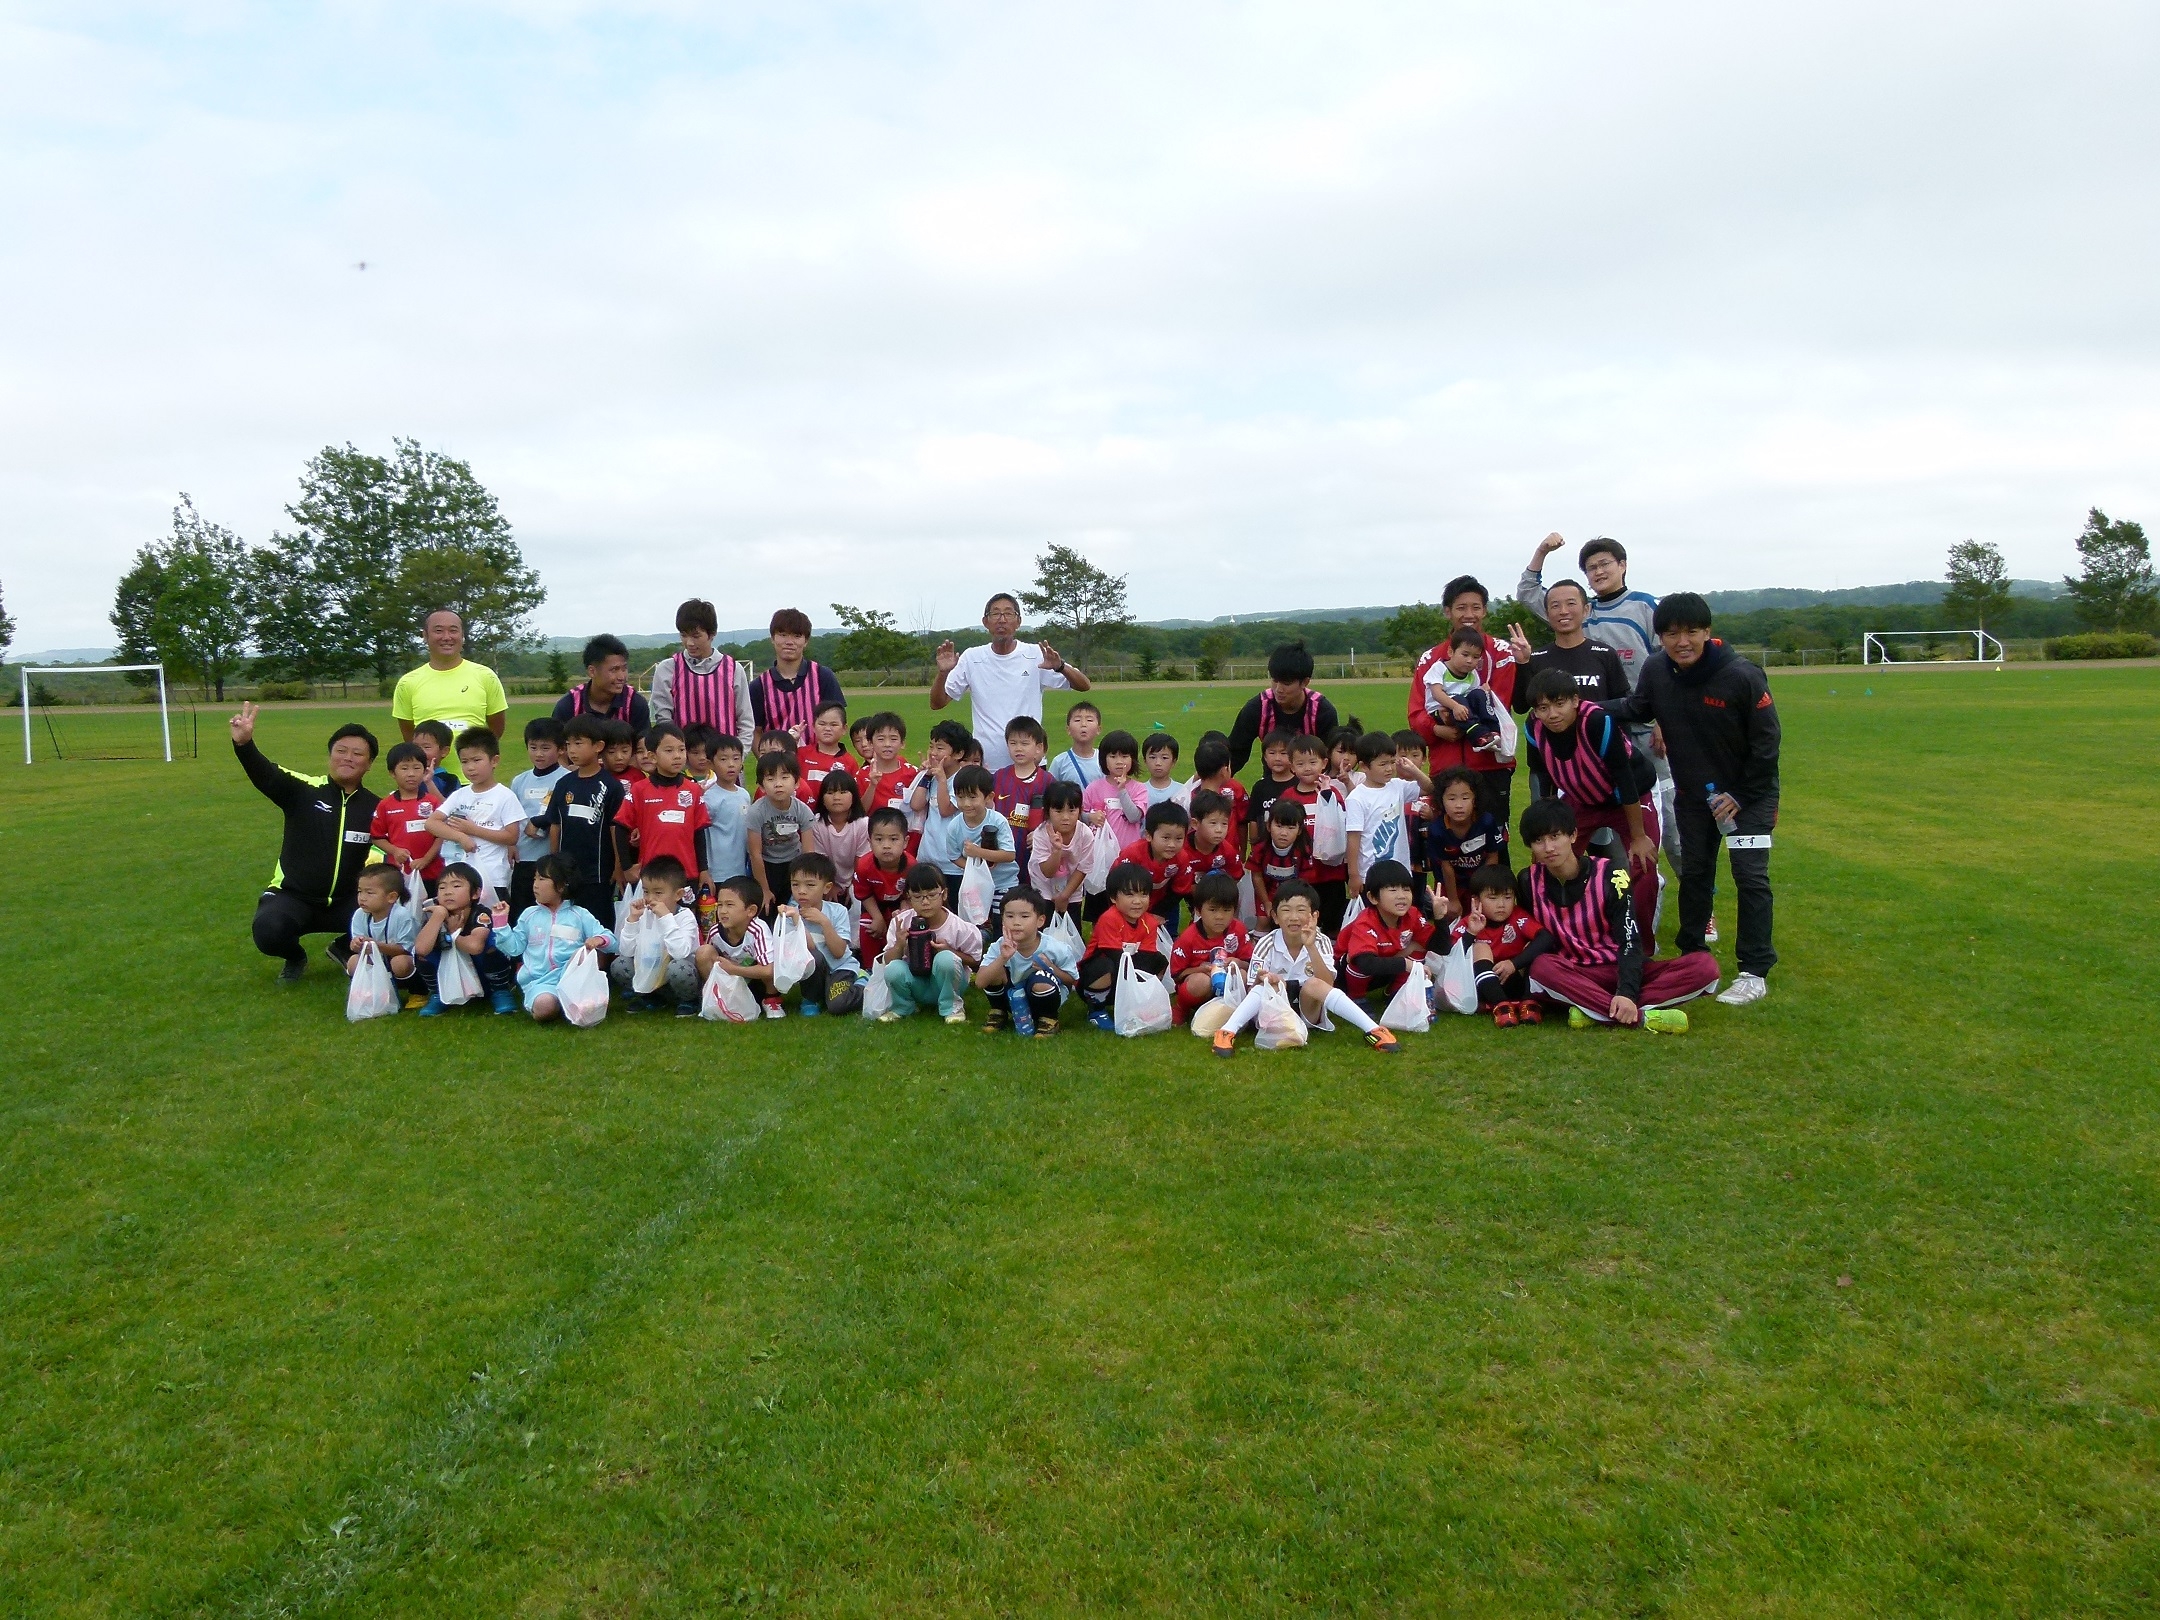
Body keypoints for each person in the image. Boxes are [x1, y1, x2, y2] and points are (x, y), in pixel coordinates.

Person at [1609, 592, 1781, 1006]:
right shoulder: (1656, 669)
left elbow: (1767, 744)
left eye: (1691, 632)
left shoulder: (1742, 675)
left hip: (1749, 796)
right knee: (1696, 874)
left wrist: (1739, 795)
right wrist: (1584, 709)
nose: (1681, 641)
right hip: (1693, 797)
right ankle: (1692, 957)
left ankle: (1754, 971)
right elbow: (1638, 706)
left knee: (1750, 878)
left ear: (1707, 632)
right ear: (1660, 637)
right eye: (1670, 633)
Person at [1518, 534, 1679, 870]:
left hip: (1643, 732)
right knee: (1595, 838)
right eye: (1591, 568)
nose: (1599, 572)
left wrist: (1663, 720)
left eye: (1605, 564)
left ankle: (1698, 911)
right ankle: (1599, 905)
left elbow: (1669, 665)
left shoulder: (1646, 606)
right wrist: (1542, 551)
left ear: (1623, 565)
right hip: (1587, 746)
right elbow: (1531, 596)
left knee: (1669, 825)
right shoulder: (1578, 611)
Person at [1514, 798, 1717, 1030]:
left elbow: (1630, 941)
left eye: (1555, 836)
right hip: (1574, 974)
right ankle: (1640, 1017)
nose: (1548, 848)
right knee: (1542, 968)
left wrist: (1627, 992)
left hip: (1618, 968)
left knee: (1704, 967)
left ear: (1572, 836)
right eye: (1538, 840)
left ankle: (1596, 1010)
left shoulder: (1611, 874)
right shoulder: (1528, 881)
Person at [1520, 669, 1661, 941]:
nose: (1552, 714)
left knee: (1642, 864)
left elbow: (1625, 779)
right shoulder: (1534, 728)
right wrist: (1548, 825)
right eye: (1543, 708)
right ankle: (1560, 935)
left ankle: (1638, 945)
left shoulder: (1597, 721)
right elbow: (1544, 777)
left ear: (1575, 700)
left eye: (1559, 704)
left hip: (1628, 795)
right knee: (1547, 860)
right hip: (1582, 797)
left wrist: (1639, 837)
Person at [1208, 878, 1398, 1054]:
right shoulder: (1265, 943)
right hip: (1273, 1013)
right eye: (1286, 910)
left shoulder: (1321, 941)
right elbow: (1252, 989)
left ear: (1314, 915)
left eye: (1301, 910)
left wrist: (1310, 947)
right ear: (1274, 916)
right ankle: (1226, 1032)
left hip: (1308, 1013)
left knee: (1313, 985)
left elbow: (1327, 984)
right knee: (1268, 986)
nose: (1293, 917)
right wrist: (1266, 979)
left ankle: (1374, 1030)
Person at [929, 593, 1093, 772]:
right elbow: (938, 703)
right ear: (985, 622)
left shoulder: (1035, 654)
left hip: (1031, 764)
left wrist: (1060, 666)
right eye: (995, 614)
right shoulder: (972, 658)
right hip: (986, 765)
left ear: (1018, 621)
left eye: (1008, 613)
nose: (1002, 619)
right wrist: (943, 673)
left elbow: (1084, 685)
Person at [1406, 577, 1519, 825]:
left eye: (1476, 607)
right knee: (1446, 842)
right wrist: (1437, 729)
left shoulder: (1502, 653)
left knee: (1495, 842)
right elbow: (1416, 713)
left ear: (1485, 610)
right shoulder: (1430, 659)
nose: (1469, 614)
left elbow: (1499, 706)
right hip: (1446, 767)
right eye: (1461, 607)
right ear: (1447, 612)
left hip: (1491, 766)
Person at [491, 853, 617, 1022]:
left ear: (562, 886)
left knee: (588, 1002)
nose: (535, 885)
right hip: (540, 982)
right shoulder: (529, 915)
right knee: (545, 1006)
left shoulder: (580, 915)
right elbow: (514, 948)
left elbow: (612, 942)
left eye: (542, 879)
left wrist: (599, 940)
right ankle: (554, 1005)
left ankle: (572, 1003)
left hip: (573, 981)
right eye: (535, 879)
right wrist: (500, 924)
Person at [392, 610, 508, 778]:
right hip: (430, 781)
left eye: (453, 630)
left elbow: (495, 729)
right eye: (438, 631)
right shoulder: (407, 683)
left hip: (474, 781)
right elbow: (410, 735)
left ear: (462, 635)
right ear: (425, 635)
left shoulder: (485, 676)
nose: (446, 637)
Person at [542, 715, 628, 924]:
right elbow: (555, 824)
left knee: (598, 923)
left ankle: (600, 958)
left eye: (578, 743)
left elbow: (615, 828)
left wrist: (618, 866)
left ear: (598, 746)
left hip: (597, 872)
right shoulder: (563, 784)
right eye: (569, 744)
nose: (572, 750)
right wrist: (553, 861)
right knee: (567, 922)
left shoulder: (611, 786)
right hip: (567, 871)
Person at [874, 863, 985, 1024]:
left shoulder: (960, 927)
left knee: (946, 958)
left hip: (948, 983)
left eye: (932, 895)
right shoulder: (900, 922)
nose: (925, 902)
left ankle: (952, 1007)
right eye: (918, 897)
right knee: (893, 969)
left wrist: (949, 950)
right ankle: (903, 1006)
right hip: (916, 982)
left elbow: (975, 961)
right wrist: (899, 944)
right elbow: (888, 962)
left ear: (944, 894)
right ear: (909, 897)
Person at [425, 729, 525, 903]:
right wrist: (460, 836)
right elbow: (432, 823)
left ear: (494, 761)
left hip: (492, 877)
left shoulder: (504, 796)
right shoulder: (459, 795)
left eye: (477, 760)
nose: (470, 767)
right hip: (458, 878)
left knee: (490, 924)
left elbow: (511, 836)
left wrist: (473, 830)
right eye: (464, 762)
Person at [613, 723, 712, 892]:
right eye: (669, 750)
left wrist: (703, 870)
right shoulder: (640, 789)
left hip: (687, 875)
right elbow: (621, 827)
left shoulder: (693, 790)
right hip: (651, 876)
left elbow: (699, 833)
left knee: (685, 918)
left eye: (681, 750)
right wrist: (627, 867)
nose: (677, 756)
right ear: (652, 756)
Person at [411, 861, 518, 1016]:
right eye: (442, 887)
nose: (448, 892)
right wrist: (439, 916)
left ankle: (500, 991)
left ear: (475, 893)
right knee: (424, 949)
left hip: (484, 976)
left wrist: (454, 933)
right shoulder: (435, 915)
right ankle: (437, 994)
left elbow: (475, 946)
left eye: (456, 886)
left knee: (493, 942)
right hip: (450, 978)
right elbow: (421, 949)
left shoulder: (481, 913)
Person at [1506, 580, 1630, 712]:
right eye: (1555, 606)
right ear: (1547, 614)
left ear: (1586, 610)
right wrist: (1523, 663)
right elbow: (1521, 708)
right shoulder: (1536, 659)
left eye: (1571, 604)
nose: (1563, 611)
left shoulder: (1605, 654)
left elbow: (1622, 706)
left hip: (1596, 731)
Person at [1075, 862, 1170, 1032]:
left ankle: (1140, 1005)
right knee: (1104, 966)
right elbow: (1113, 955)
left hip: (1126, 970)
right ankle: (1096, 1009)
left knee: (1159, 961)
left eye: (1143, 894)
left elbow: (1148, 955)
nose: (1137, 901)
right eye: (1129, 895)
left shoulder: (1149, 922)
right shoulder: (1109, 919)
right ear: (1113, 898)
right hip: (1100, 974)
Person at [648, 598, 755, 748]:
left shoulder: (733, 670)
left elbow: (745, 721)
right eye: (684, 635)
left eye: (696, 636)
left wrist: (737, 758)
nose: (689, 643)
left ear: (712, 634)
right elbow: (664, 722)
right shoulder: (668, 669)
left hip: (725, 763)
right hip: (684, 765)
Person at [975, 886, 1079, 1036]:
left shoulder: (1054, 948)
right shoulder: (1000, 946)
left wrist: (1051, 968)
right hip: (1012, 997)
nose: (1016, 922)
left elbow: (1073, 980)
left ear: (1040, 920)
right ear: (1002, 918)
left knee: (1041, 980)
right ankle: (998, 1012)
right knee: (994, 969)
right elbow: (980, 982)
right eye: (1010, 916)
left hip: (1043, 997)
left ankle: (1048, 1019)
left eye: (1024, 916)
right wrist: (1002, 958)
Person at [1450, 863, 1546, 1024]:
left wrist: (1514, 964)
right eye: (1493, 898)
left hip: (1513, 978)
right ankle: (1501, 1006)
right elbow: (1452, 956)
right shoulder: (1470, 923)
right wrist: (1471, 934)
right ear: (1476, 901)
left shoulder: (1518, 916)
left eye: (1507, 897)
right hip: (1481, 984)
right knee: (1480, 947)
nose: (1501, 904)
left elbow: (1545, 937)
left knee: (1534, 946)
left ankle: (1528, 1002)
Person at [608, 852, 700, 1014]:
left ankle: (688, 1000)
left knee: (678, 967)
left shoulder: (685, 916)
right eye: (645, 891)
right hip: (651, 973)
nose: (650, 898)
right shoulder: (643, 914)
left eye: (658, 893)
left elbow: (680, 953)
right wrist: (632, 921)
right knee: (619, 965)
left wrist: (665, 918)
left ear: (678, 894)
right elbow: (626, 950)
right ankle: (650, 997)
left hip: (677, 978)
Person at [1227, 644, 1340, 773]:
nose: (1278, 689)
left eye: (1286, 683)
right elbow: (1235, 753)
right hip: (1272, 783)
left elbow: (1331, 758)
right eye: (1275, 680)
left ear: (1305, 682)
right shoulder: (1257, 708)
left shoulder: (1322, 711)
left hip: (1313, 786)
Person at [1335, 860, 1436, 1003]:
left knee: (1421, 946)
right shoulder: (1365, 921)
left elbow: (1441, 947)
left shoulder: (1412, 914)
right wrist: (1407, 964)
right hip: (1345, 976)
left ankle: (1395, 993)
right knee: (1358, 959)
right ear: (1373, 897)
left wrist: (1440, 917)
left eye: (1406, 889)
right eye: (1393, 890)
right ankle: (1356, 999)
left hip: (1384, 965)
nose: (1401, 895)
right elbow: (1365, 964)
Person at [777, 853, 866, 1016]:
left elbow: (839, 953)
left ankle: (863, 982)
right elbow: (806, 950)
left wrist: (824, 922)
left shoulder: (837, 911)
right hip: (814, 970)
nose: (801, 891)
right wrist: (797, 920)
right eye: (795, 885)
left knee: (837, 1005)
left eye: (810, 885)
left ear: (826, 887)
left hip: (840, 968)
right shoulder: (789, 916)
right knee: (814, 956)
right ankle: (811, 999)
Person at [1280, 734, 1350, 935]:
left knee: (1332, 918)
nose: (1307, 768)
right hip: (1302, 871)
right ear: (1292, 767)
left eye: (1313, 762)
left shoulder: (1332, 793)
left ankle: (1331, 955)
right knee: (1305, 916)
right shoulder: (1288, 798)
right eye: (1300, 763)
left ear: (1324, 763)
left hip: (1332, 871)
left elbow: (1342, 824)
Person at [1343, 731, 1429, 892]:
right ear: (1364, 766)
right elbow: (1353, 838)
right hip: (1371, 873)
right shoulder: (1357, 798)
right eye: (1383, 764)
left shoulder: (1397, 786)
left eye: (1392, 762)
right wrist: (1354, 875)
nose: (1389, 769)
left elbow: (1429, 788)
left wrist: (1413, 770)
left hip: (1400, 869)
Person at [1419, 626, 1515, 765]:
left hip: (1462, 708)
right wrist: (1455, 706)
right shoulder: (1439, 668)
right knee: (1458, 699)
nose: (1470, 660)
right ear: (1451, 652)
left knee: (1480, 694)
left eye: (1475, 657)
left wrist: (1483, 691)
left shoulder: (1472, 674)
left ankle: (1494, 731)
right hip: (1441, 710)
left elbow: (1473, 696)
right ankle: (1478, 736)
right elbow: (1437, 693)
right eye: (1465, 655)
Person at [1168, 872, 1252, 1025]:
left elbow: (1250, 964)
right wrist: (1200, 969)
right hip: (1202, 989)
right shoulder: (1188, 937)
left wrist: (1237, 962)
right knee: (1200, 982)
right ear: (1199, 910)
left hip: (1228, 986)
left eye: (1226, 910)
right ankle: (1182, 1008)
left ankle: (1239, 1012)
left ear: (1235, 910)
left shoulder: (1238, 930)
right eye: (1213, 910)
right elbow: (1177, 975)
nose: (1219, 916)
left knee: (1243, 975)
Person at [749, 608, 847, 740]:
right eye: (783, 635)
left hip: (817, 758)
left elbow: (836, 723)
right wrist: (767, 758)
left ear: (806, 641)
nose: (789, 642)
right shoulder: (759, 685)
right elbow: (756, 731)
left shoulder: (822, 676)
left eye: (797, 636)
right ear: (772, 638)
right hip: (778, 758)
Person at [945, 764, 1020, 934]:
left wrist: (978, 853)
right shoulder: (954, 826)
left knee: (1004, 924)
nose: (966, 804)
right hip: (975, 884)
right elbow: (953, 856)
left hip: (1003, 882)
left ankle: (1003, 951)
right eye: (960, 797)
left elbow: (1009, 855)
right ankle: (979, 945)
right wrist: (976, 870)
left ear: (988, 797)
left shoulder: (997, 820)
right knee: (973, 923)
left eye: (972, 797)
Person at [1428, 766, 1509, 919]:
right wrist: (1453, 900)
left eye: (1465, 798)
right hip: (1451, 884)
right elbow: (1446, 866)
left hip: (1479, 879)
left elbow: (1493, 856)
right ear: (1441, 801)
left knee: (1483, 916)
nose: (1459, 805)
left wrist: (1484, 890)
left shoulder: (1486, 822)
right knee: (1451, 916)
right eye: (1451, 798)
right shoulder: (1437, 829)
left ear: (1475, 800)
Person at [508, 716, 566, 921]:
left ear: (560, 749)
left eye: (545, 748)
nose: (538, 754)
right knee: (521, 914)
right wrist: (511, 844)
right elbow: (510, 816)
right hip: (523, 859)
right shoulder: (519, 781)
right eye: (533, 747)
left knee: (548, 913)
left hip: (548, 859)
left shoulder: (565, 779)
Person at [743, 751, 816, 914]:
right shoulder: (756, 812)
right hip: (767, 866)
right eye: (770, 779)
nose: (778, 784)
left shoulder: (802, 810)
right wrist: (764, 889)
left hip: (794, 863)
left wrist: (806, 885)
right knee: (768, 910)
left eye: (784, 777)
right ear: (761, 786)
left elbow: (808, 852)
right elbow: (755, 854)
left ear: (797, 782)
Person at [696, 876, 779, 1017]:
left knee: (771, 960)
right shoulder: (715, 932)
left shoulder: (757, 929)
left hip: (756, 984)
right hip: (732, 984)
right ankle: (718, 998)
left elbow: (768, 970)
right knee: (703, 952)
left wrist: (734, 969)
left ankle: (771, 1000)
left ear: (751, 911)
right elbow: (705, 961)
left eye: (729, 905)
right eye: (720, 905)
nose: (722, 911)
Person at [368, 741, 445, 889]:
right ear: (392, 773)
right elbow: (377, 837)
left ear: (424, 771)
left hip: (432, 873)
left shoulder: (432, 802)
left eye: (417, 768)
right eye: (404, 768)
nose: (411, 774)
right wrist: (395, 851)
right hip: (399, 875)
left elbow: (441, 835)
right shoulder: (386, 805)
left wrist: (426, 859)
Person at [343, 865, 421, 1006]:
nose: (362, 898)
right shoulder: (360, 915)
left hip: (399, 961)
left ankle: (418, 992)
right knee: (353, 961)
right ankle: (367, 993)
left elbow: (406, 949)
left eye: (370, 893)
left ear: (391, 897)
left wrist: (375, 946)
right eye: (360, 892)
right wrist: (356, 944)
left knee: (401, 963)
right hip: (377, 959)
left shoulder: (402, 916)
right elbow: (356, 946)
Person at [551, 634, 651, 733]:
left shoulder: (634, 703)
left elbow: (643, 746)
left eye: (624, 669)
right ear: (592, 671)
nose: (622, 677)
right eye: (614, 670)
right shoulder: (569, 705)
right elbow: (558, 746)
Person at [1030, 780, 1097, 917]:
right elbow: (1047, 872)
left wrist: (1064, 896)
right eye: (1059, 811)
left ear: (1080, 810)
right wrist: (1056, 851)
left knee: (1071, 931)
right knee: (1046, 928)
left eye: (1072, 810)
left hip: (1072, 889)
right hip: (1044, 888)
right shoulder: (1041, 834)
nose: (1066, 817)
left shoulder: (1085, 834)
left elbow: (1083, 868)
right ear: (1047, 811)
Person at [854, 807, 912, 961]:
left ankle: (901, 962)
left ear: (905, 841)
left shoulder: (912, 865)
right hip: (874, 905)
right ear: (870, 842)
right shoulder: (863, 866)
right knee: (868, 925)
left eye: (893, 839)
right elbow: (864, 895)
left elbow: (911, 895)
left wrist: (903, 912)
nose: (886, 845)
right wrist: (878, 918)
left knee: (905, 927)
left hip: (901, 905)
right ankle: (869, 968)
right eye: (879, 839)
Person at [702, 735, 754, 891]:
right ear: (711, 764)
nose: (731, 764)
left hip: (740, 869)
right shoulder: (709, 798)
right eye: (723, 759)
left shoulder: (744, 794)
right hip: (717, 872)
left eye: (736, 758)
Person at [992, 717, 1053, 845]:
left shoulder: (1048, 781)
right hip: (1002, 850)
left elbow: (1056, 816)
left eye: (1024, 743)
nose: (1018, 748)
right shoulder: (999, 777)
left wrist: (1043, 834)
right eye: (1013, 743)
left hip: (1034, 852)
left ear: (1038, 747)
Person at [812, 769, 869, 901]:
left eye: (843, 792)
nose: (836, 797)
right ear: (822, 798)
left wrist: (853, 885)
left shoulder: (863, 824)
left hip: (856, 880)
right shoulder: (817, 823)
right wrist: (830, 885)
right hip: (826, 879)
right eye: (830, 793)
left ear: (854, 796)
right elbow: (820, 860)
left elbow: (861, 861)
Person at [792, 700, 854, 800]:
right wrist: (791, 742)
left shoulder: (849, 762)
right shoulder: (801, 754)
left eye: (833, 725)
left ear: (844, 729)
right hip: (803, 813)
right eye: (822, 724)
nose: (827, 729)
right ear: (814, 727)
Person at [1049, 701, 1104, 788]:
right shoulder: (1060, 762)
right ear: (1068, 730)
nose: (1083, 724)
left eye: (1089, 720)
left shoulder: (1104, 760)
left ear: (1098, 729)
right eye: (1077, 720)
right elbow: (1051, 792)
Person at [411, 721, 460, 798]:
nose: (419, 751)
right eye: (416, 746)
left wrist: (429, 782)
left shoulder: (449, 780)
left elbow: (450, 808)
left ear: (444, 751)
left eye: (426, 747)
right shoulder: (409, 776)